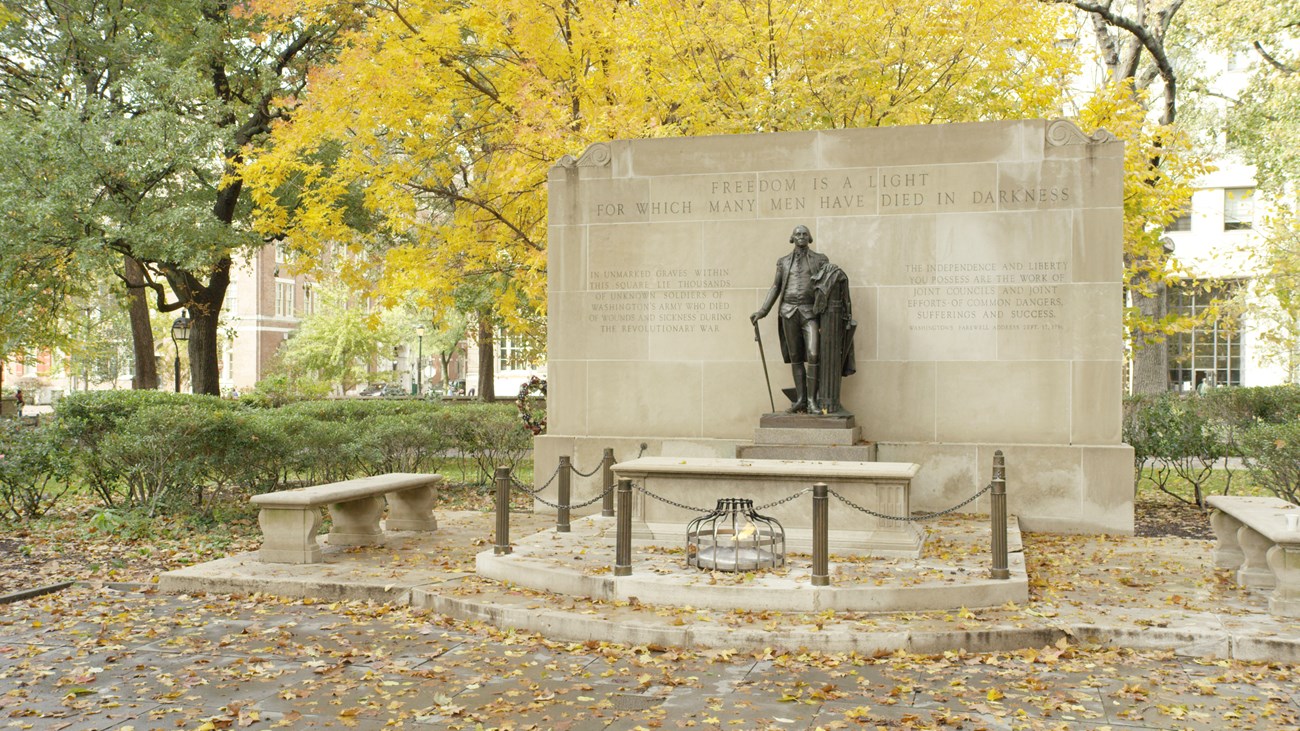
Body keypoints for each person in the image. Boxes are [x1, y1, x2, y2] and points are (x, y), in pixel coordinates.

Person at [751, 225, 855, 414]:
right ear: (791, 238)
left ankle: (812, 400)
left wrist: (833, 270)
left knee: (814, 354)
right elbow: (775, 287)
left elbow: (829, 280)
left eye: (804, 234)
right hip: (788, 311)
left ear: (810, 238)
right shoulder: (782, 262)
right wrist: (763, 311)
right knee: (796, 357)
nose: (801, 236)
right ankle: (801, 400)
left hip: (809, 312)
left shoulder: (820, 259)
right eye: (798, 234)